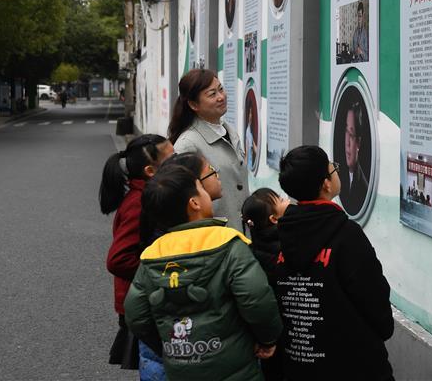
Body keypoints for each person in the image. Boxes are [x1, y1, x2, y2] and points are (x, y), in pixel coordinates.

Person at [124, 156, 282, 381]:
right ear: (195, 203)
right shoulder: (229, 243)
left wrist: (168, 347)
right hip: (235, 367)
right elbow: (256, 298)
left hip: (181, 367)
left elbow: (135, 314)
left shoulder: (152, 255)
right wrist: (267, 339)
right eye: (201, 188)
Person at [275, 146, 393, 380]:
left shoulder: (284, 235)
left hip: (302, 366)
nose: (337, 171)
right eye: (333, 168)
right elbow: (373, 296)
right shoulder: (347, 235)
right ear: (326, 184)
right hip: (354, 365)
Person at [100, 134, 174, 373]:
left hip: (145, 299)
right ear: (151, 171)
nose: (178, 162)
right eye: (171, 159)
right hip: (141, 302)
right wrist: (159, 273)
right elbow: (117, 259)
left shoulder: (150, 195)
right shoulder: (139, 202)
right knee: (158, 366)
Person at [169, 69, 246, 229]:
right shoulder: (187, 144)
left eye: (221, 89)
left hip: (241, 232)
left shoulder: (229, 131)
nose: (221, 97)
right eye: (212, 94)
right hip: (214, 235)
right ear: (193, 104)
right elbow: (180, 198)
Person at [241, 188, 291, 381]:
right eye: (280, 199)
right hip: (289, 325)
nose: (285, 199)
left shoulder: (249, 250)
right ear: (274, 219)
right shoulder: (287, 244)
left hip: (267, 334)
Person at [339, 101, 368, 216]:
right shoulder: (339, 175)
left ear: (358, 143)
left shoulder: (363, 188)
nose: (347, 143)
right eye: (346, 132)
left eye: (351, 135)